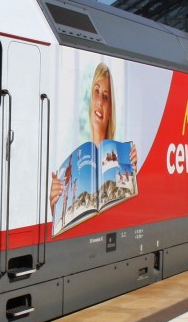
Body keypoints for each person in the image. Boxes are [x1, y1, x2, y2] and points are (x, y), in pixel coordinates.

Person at [50, 62, 137, 212]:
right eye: (96, 91)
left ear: (110, 110)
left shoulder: (122, 156)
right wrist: (55, 206)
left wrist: (133, 178)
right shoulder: (71, 151)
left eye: (105, 97)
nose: (99, 102)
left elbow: (126, 213)